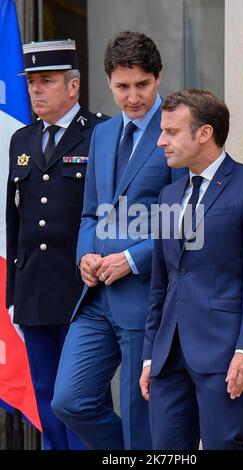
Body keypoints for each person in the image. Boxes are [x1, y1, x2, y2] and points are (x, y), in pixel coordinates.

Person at [51, 31, 187, 450]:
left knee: (139, 413)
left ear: (158, 78)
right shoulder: (104, 134)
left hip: (146, 297)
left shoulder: (177, 129)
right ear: (108, 81)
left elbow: (186, 219)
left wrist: (132, 257)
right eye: (122, 86)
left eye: (142, 85)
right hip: (94, 297)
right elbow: (92, 210)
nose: (133, 97)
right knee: (69, 401)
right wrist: (85, 255)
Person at [140, 89, 243, 450]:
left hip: (224, 350)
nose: (161, 142)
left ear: (204, 134)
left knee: (225, 446)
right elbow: (163, 282)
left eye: (171, 132)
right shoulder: (168, 196)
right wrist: (149, 355)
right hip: (168, 354)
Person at [5, 39, 108, 450]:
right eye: (31, 82)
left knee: (79, 399)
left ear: (73, 87)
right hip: (33, 287)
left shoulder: (101, 133)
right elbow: (16, 218)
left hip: (81, 289)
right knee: (46, 396)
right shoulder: (23, 140)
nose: (35, 90)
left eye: (46, 81)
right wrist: (13, 290)